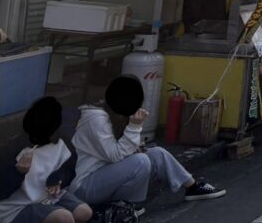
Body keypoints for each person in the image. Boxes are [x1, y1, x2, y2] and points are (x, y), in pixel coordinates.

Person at [70, 76, 224, 209]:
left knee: (156, 153)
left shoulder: (114, 115)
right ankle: (125, 205)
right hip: (85, 186)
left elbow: (116, 152)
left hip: (105, 176)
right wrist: (134, 126)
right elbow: (115, 155)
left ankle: (192, 186)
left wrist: (134, 145)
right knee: (140, 161)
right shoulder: (96, 118)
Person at [0, 97, 92, 223]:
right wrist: (18, 173)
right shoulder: (14, 148)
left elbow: (70, 170)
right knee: (65, 219)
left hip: (48, 197)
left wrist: (59, 178)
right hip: (18, 206)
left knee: (84, 213)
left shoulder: (62, 142)